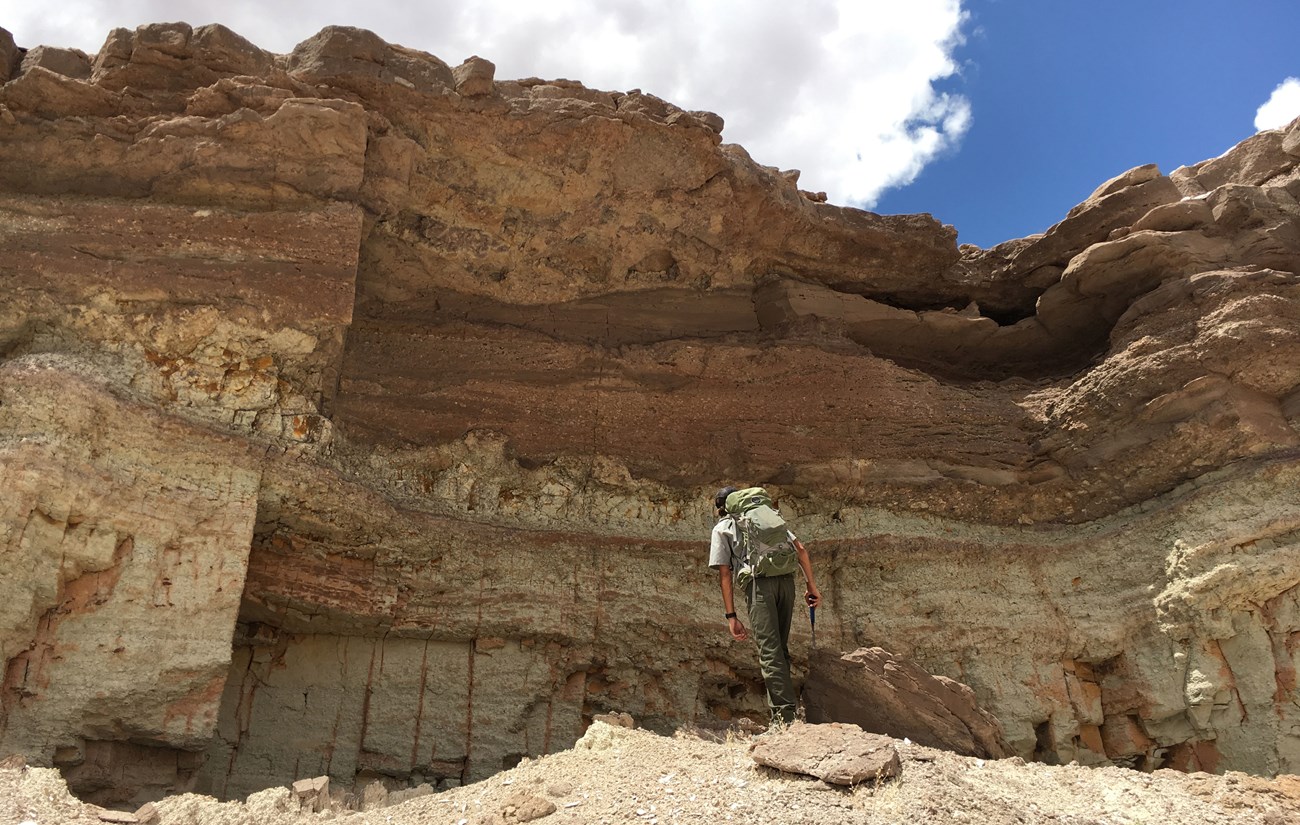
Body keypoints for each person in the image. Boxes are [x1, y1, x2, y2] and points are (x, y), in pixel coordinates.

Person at [708, 485, 821, 726]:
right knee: (780, 649)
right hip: (787, 584)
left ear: (721, 508)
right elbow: (800, 550)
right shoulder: (766, 516)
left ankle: (783, 721)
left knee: (770, 653)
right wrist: (811, 586)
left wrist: (731, 615)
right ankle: (786, 713)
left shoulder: (723, 528)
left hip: (759, 587)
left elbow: (725, 574)